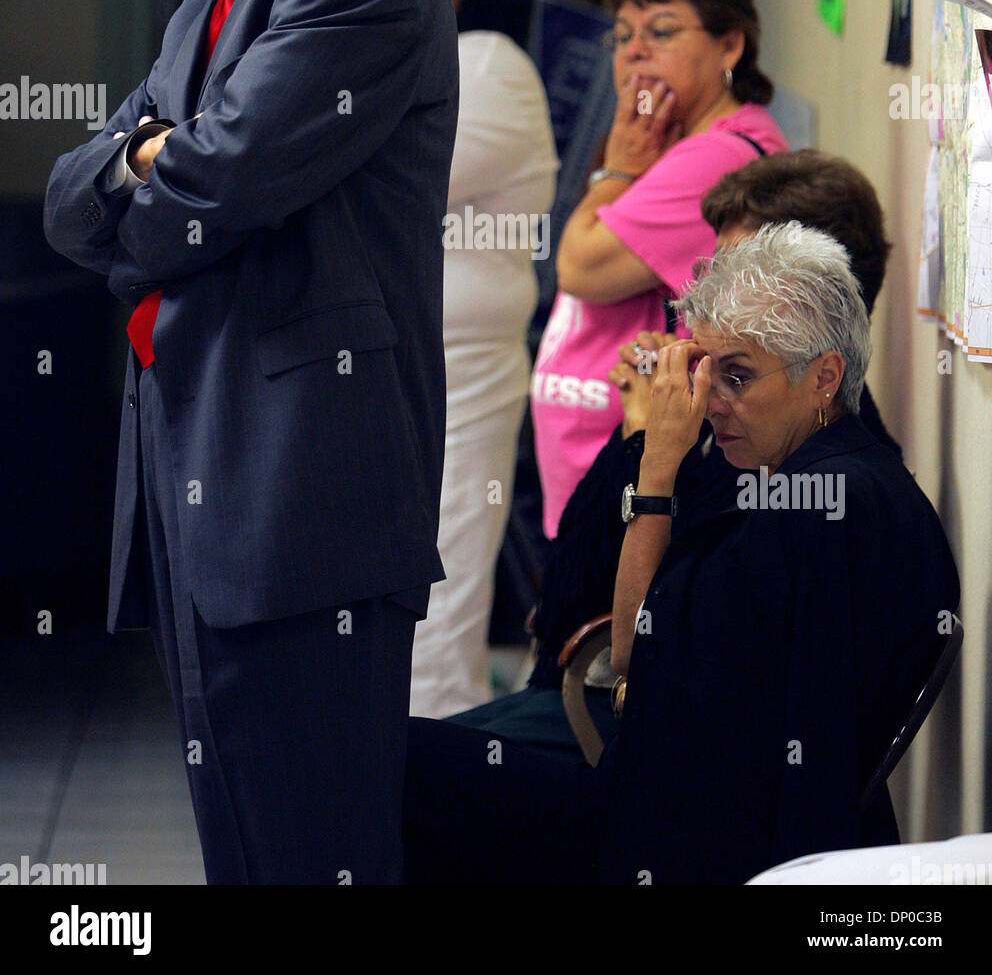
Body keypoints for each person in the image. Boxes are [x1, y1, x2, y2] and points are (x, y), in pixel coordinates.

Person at [43, 0, 459, 884]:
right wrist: (142, 157)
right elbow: (82, 200)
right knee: (241, 851)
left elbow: (224, 176)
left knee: (310, 851)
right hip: (203, 480)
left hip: (301, 494)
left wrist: (165, 173)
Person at [403, 224, 959, 884]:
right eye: (704, 371)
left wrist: (658, 467)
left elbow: (632, 649)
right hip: (695, 819)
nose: (710, 403)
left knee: (390, 759)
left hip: (666, 844)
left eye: (737, 376)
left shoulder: (807, 511)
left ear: (824, 377)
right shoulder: (850, 482)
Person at [447, 149, 901, 755]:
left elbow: (641, 649)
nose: (700, 289)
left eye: (730, 270)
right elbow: (569, 595)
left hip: (651, 772)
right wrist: (645, 437)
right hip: (606, 716)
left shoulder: (807, 473)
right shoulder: (763, 427)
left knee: (391, 769)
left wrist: (650, 452)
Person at [362, 0, 558, 716]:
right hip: (383, 370)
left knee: (437, 608)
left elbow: (364, 179)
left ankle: (438, 818)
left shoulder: (487, 66)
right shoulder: (403, 63)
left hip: (459, 371)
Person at [532, 0, 788, 538]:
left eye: (663, 32)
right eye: (622, 36)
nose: (636, 54)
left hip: (629, 477)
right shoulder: (673, 146)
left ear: (729, 44)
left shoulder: (716, 156)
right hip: (604, 474)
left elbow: (580, 267)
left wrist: (616, 172)